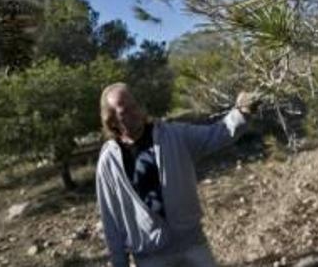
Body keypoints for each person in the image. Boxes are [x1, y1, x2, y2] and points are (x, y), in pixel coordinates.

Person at [96, 82, 262, 267]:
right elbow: (110, 218)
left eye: (134, 105)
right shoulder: (109, 161)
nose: (134, 112)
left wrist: (242, 113)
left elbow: (216, 134)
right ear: (111, 120)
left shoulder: (172, 134)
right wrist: (120, 263)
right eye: (124, 110)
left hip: (191, 244)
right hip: (150, 256)